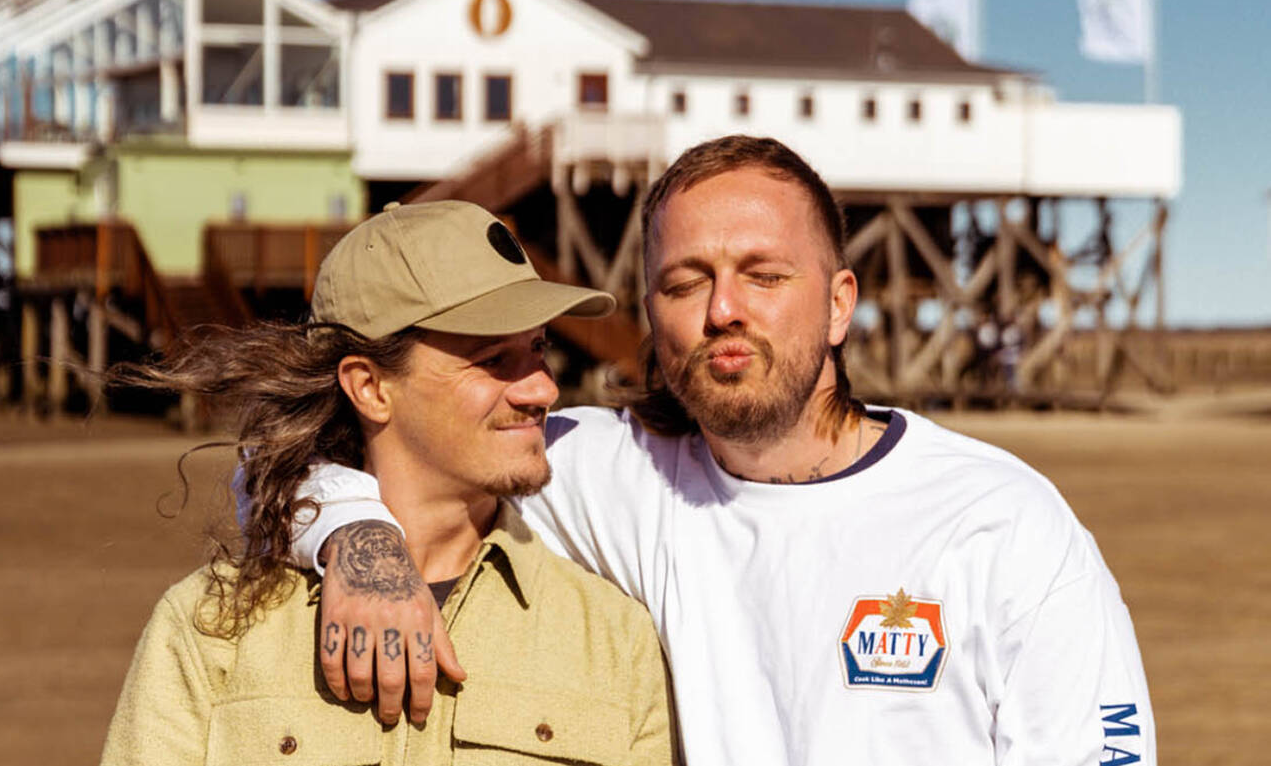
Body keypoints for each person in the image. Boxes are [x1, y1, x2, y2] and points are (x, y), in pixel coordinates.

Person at [293, 136, 1156, 765]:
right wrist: (358, 535)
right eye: (685, 282)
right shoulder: (609, 472)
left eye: (765, 275)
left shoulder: (1002, 521)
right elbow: (317, 455)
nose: (723, 310)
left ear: (839, 304)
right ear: (651, 309)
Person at [100, 201, 675, 765]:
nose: (543, 391)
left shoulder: (614, 640)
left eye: (538, 349)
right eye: (493, 359)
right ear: (371, 388)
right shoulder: (212, 627)